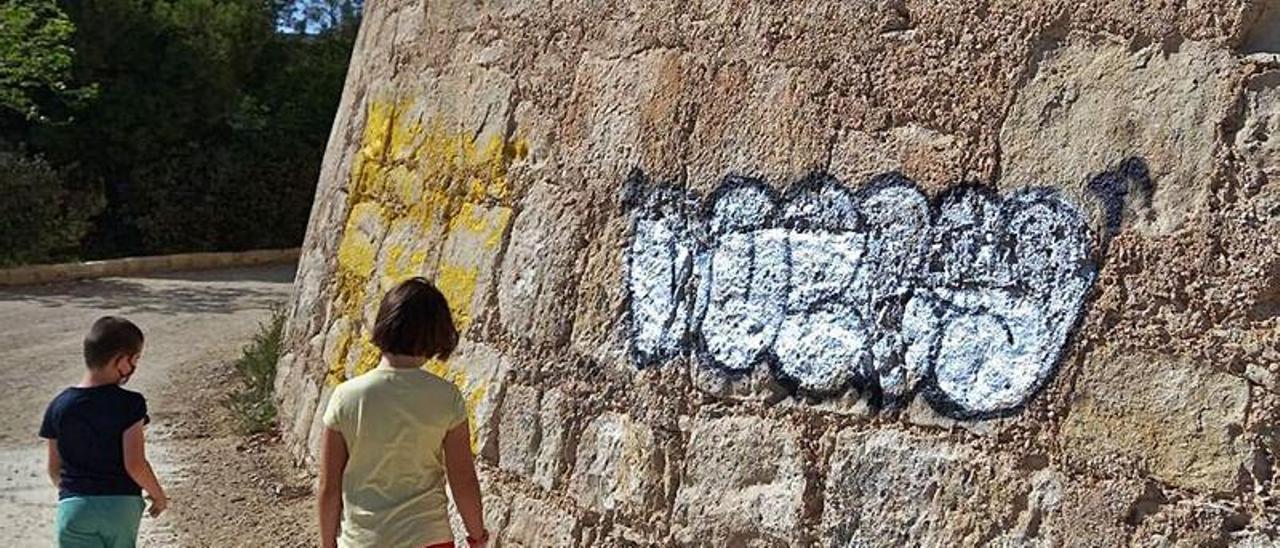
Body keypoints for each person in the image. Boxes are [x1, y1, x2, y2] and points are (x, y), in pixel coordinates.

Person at [319, 277, 488, 548]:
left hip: (363, 541)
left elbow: (329, 487)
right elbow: (463, 479)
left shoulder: (346, 397)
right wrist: (477, 536)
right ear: (436, 334)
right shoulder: (446, 397)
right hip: (429, 538)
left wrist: (328, 544)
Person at [40, 316, 169, 548]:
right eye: (135, 359)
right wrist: (157, 494)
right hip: (121, 507)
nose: (134, 367)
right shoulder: (131, 404)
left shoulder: (58, 406)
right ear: (120, 360)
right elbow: (135, 464)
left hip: (74, 507)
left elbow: (54, 469)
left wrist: (79, 497)